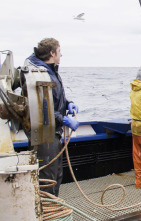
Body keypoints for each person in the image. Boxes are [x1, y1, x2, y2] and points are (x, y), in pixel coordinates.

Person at [25, 38, 80, 196]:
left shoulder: (50, 71)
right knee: (47, 180)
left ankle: (54, 210)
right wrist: (63, 119)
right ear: (52, 53)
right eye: (59, 51)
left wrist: (68, 103)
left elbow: (53, 99)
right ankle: (47, 213)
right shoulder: (39, 74)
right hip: (44, 137)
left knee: (57, 175)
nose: (61, 54)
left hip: (53, 134)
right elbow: (41, 108)